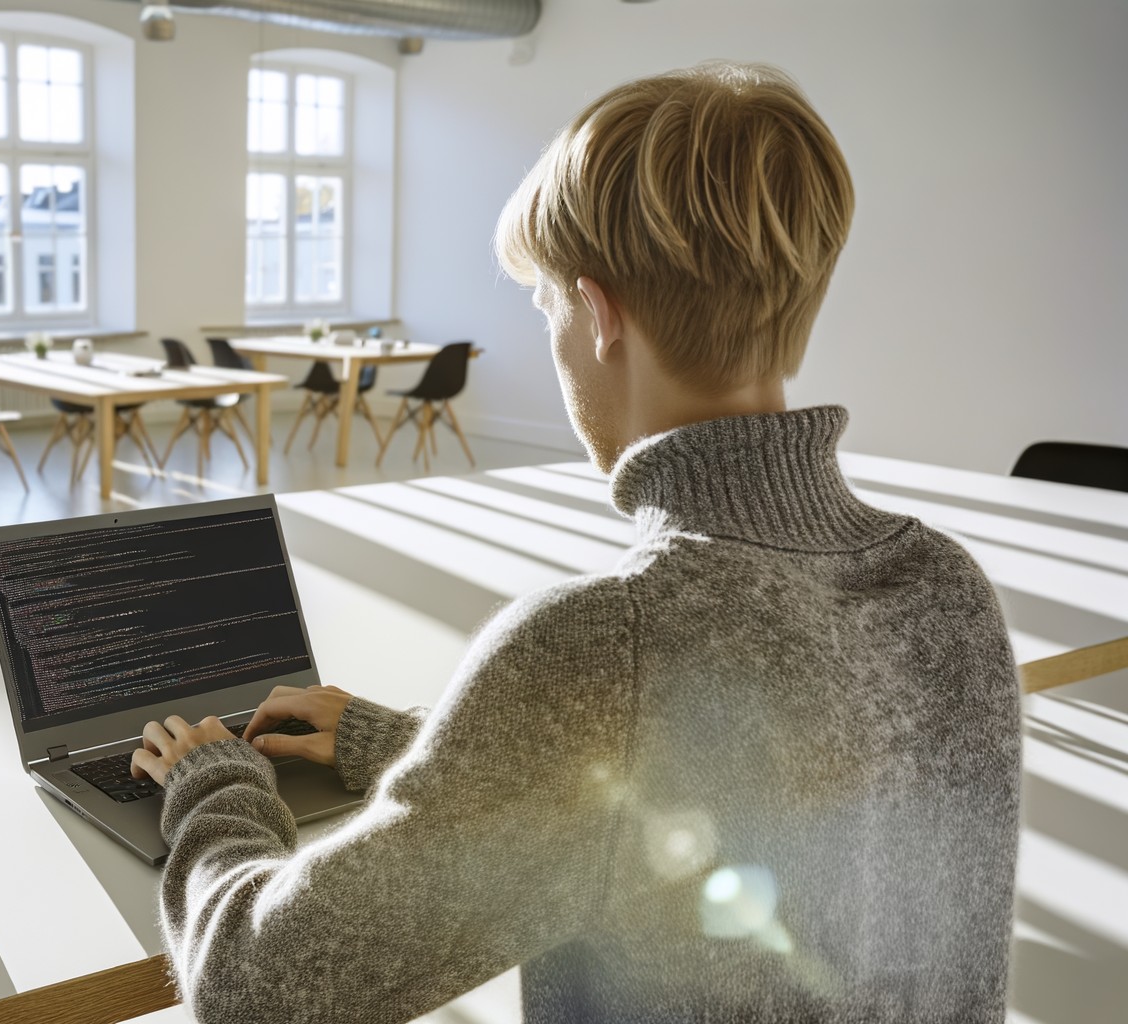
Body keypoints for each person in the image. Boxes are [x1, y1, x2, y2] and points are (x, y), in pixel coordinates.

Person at [130, 61, 1020, 1023]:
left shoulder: (605, 642)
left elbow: (256, 988)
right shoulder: (948, 589)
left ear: (598, 316)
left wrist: (212, 782)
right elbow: (710, 795)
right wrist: (414, 747)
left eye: (546, 306)